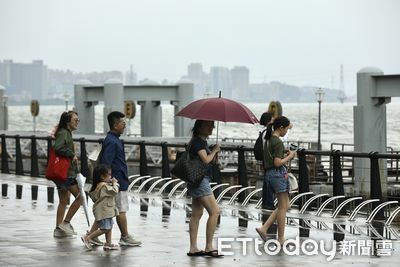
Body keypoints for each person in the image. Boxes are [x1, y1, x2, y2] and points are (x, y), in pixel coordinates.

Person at [100, 111, 142, 246]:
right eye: (123, 123)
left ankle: (91, 235)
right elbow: (107, 162)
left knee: (110, 210)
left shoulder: (113, 139)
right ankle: (125, 236)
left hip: (118, 179)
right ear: (115, 125)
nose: (125, 125)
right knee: (120, 209)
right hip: (117, 181)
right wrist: (110, 180)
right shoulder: (112, 141)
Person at [256, 116, 296, 246]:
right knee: (283, 207)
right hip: (277, 174)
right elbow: (277, 162)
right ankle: (281, 237)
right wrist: (290, 156)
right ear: (281, 128)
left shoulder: (268, 139)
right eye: (286, 130)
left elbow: (273, 159)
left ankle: (264, 228)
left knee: (284, 206)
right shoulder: (278, 142)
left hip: (269, 174)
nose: (286, 133)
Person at [186, 120, 223, 258]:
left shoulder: (201, 142)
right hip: (200, 181)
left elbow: (210, 160)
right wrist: (214, 151)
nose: (211, 127)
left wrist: (214, 152)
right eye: (208, 125)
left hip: (197, 181)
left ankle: (193, 248)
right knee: (214, 212)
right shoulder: (198, 142)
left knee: (196, 214)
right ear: (200, 127)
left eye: (212, 125)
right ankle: (208, 247)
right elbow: (206, 160)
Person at [52, 111, 82, 237]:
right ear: (68, 122)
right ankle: (65, 223)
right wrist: (71, 154)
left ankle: (58, 229)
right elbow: (58, 147)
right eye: (75, 120)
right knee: (81, 198)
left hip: (63, 173)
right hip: (66, 173)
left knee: (63, 200)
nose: (77, 122)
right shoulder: (64, 133)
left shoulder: (65, 132)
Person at [81, 164, 120, 250]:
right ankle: (88, 238)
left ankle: (108, 243)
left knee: (109, 227)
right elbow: (114, 191)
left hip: (103, 210)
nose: (110, 176)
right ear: (102, 177)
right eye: (109, 175)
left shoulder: (98, 185)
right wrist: (115, 184)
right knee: (105, 228)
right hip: (105, 210)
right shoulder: (104, 186)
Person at [259, 112, 275, 210]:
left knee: (267, 181)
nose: (273, 120)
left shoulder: (263, 131)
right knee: (269, 181)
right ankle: (268, 203)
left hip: (265, 159)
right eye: (272, 119)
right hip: (268, 159)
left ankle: (266, 202)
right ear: (269, 120)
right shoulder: (266, 132)